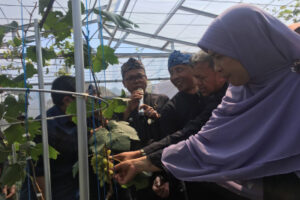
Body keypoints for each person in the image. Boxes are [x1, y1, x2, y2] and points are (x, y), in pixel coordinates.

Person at [114, 51, 247, 200]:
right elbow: (181, 136)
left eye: (180, 69)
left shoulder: (228, 95)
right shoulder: (169, 106)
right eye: (172, 72)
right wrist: (145, 158)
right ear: (124, 83)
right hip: (172, 168)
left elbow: (192, 132)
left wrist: (143, 155)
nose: (175, 76)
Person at [20, 76, 79, 200]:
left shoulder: (77, 120)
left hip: (68, 190)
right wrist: (45, 197)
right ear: (67, 100)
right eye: (81, 98)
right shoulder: (44, 125)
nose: (85, 102)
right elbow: (38, 171)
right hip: (46, 192)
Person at [119, 57, 169, 148]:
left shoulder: (162, 99)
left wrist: (156, 117)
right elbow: (115, 134)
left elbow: (171, 129)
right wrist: (128, 111)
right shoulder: (119, 105)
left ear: (146, 78)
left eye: (139, 76)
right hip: (130, 156)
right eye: (130, 78)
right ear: (124, 83)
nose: (136, 81)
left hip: (156, 154)